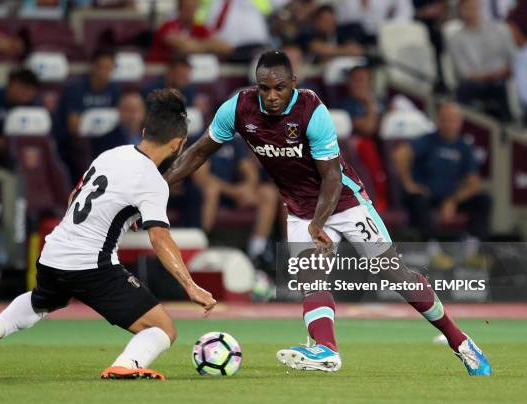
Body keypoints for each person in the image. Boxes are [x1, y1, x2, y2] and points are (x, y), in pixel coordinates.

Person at [164, 50, 491, 376]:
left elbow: (332, 178)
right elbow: (197, 153)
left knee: (396, 276)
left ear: (293, 82)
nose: (272, 96)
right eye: (264, 88)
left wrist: (318, 224)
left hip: (345, 202)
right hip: (300, 208)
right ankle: (326, 351)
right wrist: (159, 186)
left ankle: (460, 341)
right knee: (311, 278)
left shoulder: (311, 110)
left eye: (279, 88)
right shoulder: (236, 108)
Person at [0, 89, 216, 380]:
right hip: (92, 266)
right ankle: (126, 365)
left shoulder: (112, 154)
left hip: (52, 254)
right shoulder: (153, 181)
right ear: (179, 144)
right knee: (163, 328)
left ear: (144, 130)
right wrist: (190, 285)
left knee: (41, 300)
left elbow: (77, 194)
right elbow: (160, 237)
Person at [394, 102, 491, 268]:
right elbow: (400, 154)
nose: (449, 124)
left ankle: (470, 251)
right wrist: (409, 183)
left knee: (484, 200)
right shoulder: (428, 140)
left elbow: (474, 182)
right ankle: (432, 251)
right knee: (417, 199)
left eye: (453, 120)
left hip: (449, 197)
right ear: (438, 120)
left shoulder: (463, 147)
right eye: (445, 119)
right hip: (426, 195)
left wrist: (453, 200)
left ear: (460, 122)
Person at [192, 137, 278, 261]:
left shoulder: (233, 142)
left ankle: (257, 252)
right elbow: (201, 177)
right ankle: (201, 246)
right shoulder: (202, 139)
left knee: (268, 193)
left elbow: (249, 170)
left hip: (232, 195)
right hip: (208, 194)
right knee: (211, 190)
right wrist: (233, 191)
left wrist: (247, 187)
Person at [55, 49, 120, 181]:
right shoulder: (76, 89)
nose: (105, 72)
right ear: (93, 67)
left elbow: (119, 120)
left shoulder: (114, 89)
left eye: (109, 68)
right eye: (102, 67)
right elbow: (74, 127)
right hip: (73, 145)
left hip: (105, 141)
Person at [449, 0, 516, 120]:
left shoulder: (499, 29)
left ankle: (509, 124)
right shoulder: (455, 39)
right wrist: (489, 76)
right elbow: (464, 73)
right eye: (467, 8)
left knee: (503, 86)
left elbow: (514, 57)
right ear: (460, 11)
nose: (471, 12)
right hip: (475, 84)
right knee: (464, 88)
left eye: (474, 7)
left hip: (502, 79)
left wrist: (505, 71)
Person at [338, 65, 388, 211]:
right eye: (356, 80)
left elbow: (384, 126)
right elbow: (368, 128)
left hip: (381, 146)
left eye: (363, 81)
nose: (359, 85)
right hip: (356, 152)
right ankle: (376, 200)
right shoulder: (346, 104)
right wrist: (370, 104)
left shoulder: (381, 101)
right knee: (365, 144)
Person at [0, 68, 42, 169]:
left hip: (23, 149)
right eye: (22, 87)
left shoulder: (35, 105)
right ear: (11, 84)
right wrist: (3, 143)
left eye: (30, 90)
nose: (26, 93)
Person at [147, 0, 233, 63]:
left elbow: (226, 47)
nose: (191, 12)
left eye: (194, 8)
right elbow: (186, 48)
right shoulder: (168, 26)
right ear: (179, 9)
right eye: (188, 8)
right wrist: (209, 45)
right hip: (157, 73)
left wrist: (197, 45)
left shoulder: (200, 28)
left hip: (186, 76)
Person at [90, 92, 145, 158]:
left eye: (135, 109)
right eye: (127, 109)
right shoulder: (105, 142)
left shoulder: (155, 139)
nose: (132, 114)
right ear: (119, 111)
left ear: (143, 111)